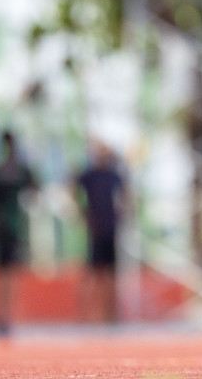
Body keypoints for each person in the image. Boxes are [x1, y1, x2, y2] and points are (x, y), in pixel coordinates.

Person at [0, 129, 37, 338]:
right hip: (8, 226)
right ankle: (4, 314)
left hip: (2, 226)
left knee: (5, 272)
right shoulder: (18, 170)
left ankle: (4, 314)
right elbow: (34, 190)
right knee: (7, 272)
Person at [73, 139, 128, 324]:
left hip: (110, 229)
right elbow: (73, 186)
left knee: (111, 274)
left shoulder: (114, 175)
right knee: (93, 272)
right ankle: (84, 313)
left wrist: (122, 215)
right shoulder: (90, 176)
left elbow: (124, 196)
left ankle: (111, 314)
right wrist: (82, 213)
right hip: (96, 230)